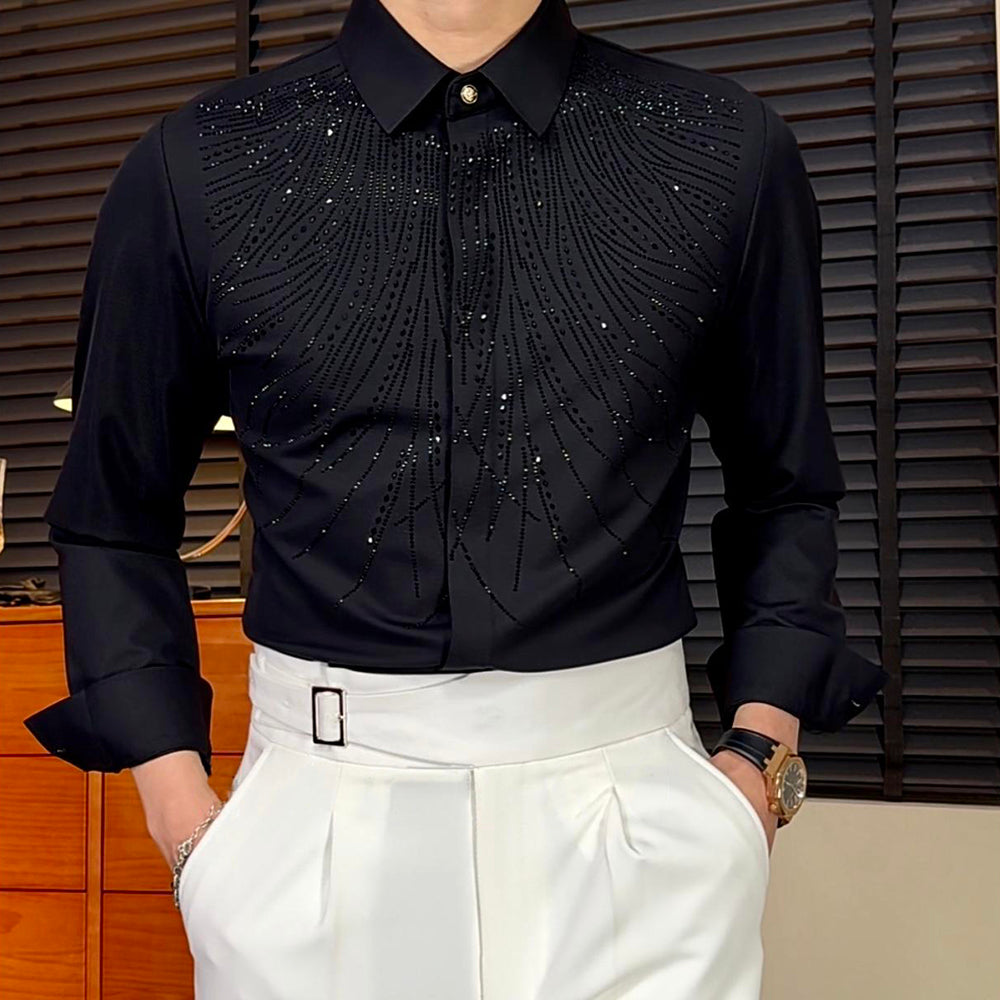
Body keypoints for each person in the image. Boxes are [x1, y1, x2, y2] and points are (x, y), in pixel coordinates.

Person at [24, 0, 890, 996]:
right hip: (312, 824)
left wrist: (757, 775)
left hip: (640, 815)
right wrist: (189, 831)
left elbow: (786, 490)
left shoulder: (726, 148)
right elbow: (112, 517)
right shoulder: (198, 163)